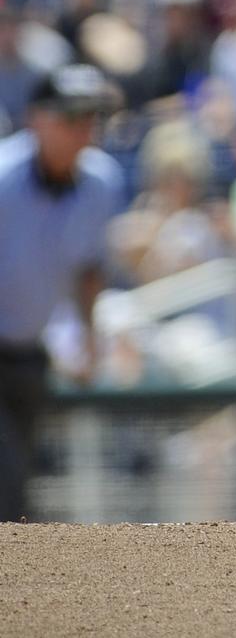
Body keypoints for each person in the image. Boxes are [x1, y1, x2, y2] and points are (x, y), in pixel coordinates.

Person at [0, 65, 127, 520]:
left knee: (19, 487)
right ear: (37, 118)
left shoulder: (101, 181)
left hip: (30, 352)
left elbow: (88, 269)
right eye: (71, 117)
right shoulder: (3, 175)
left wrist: (88, 339)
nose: (84, 129)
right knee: (7, 481)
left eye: (91, 117)